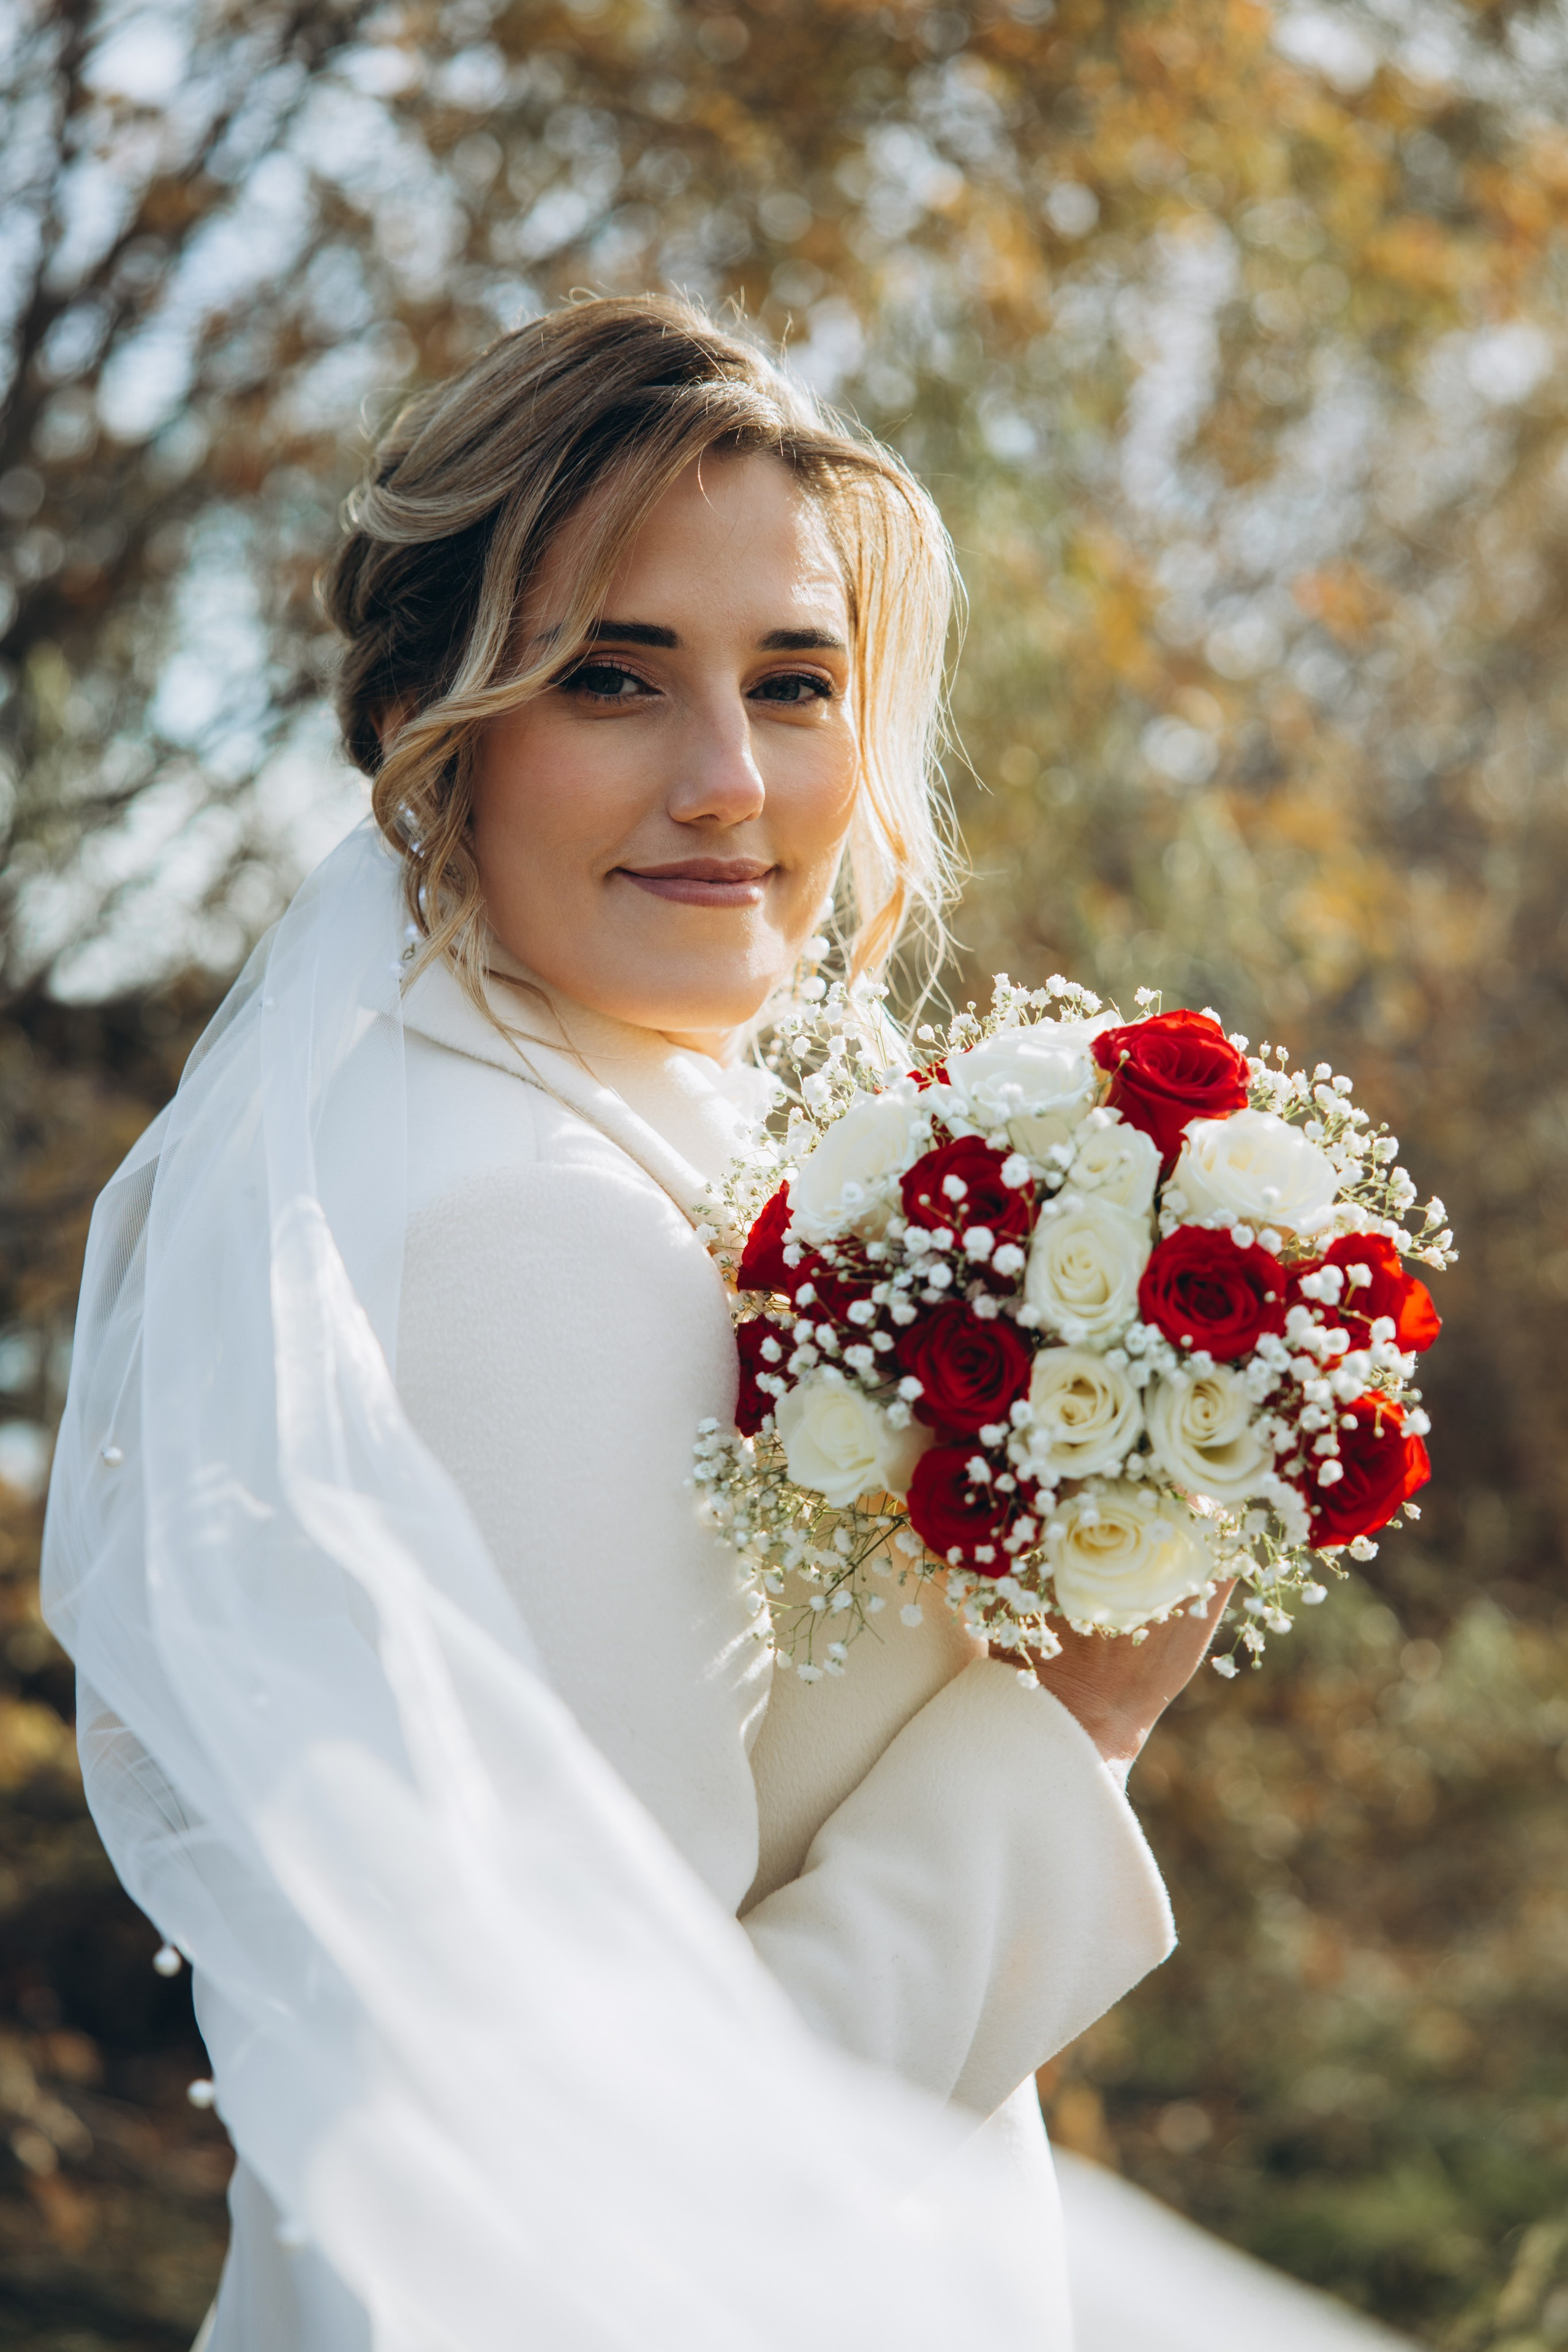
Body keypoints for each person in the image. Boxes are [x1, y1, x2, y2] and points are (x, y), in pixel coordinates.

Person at [43, 295, 1318, 2351]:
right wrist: (1073, 1723)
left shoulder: (614, 1131)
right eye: (614, 678)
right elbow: (609, 2164)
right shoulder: (528, 1240)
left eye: (794, 681)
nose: (730, 782)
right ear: (436, 737)